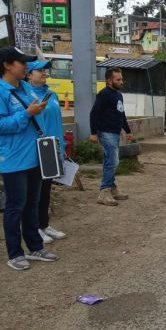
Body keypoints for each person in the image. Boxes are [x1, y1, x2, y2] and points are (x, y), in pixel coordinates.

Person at [0, 46, 59, 270]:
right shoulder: (1, 92)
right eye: (21, 62)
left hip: (35, 155)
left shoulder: (25, 88)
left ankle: (35, 246)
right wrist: (26, 114)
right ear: (7, 65)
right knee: (16, 206)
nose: (25, 66)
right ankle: (15, 253)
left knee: (32, 204)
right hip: (13, 158)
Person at [27, 59, 67, 244]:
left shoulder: (52, 95)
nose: (44, 73)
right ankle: (33, 227)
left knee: (46, 190)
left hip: (52, 147)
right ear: (29, 74)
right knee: (34, 191)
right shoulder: (27, 95)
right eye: (39, 70)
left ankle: (44, 224)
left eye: (45, 70)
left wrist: (62, 146)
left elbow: (57, 121)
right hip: (37, 148)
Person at [90, 67, 133, 206]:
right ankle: (104, 191)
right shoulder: (104, 94)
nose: (121, 82)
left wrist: (128, 131)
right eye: (118, 79)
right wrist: (93, 132)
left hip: (115, 133)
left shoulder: (118, 95)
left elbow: (121, 114)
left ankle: (113, 188)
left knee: (110, 161)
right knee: (113, 161)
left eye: (122, 79)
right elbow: (94, 113)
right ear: (109, 80)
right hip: (106, 132)